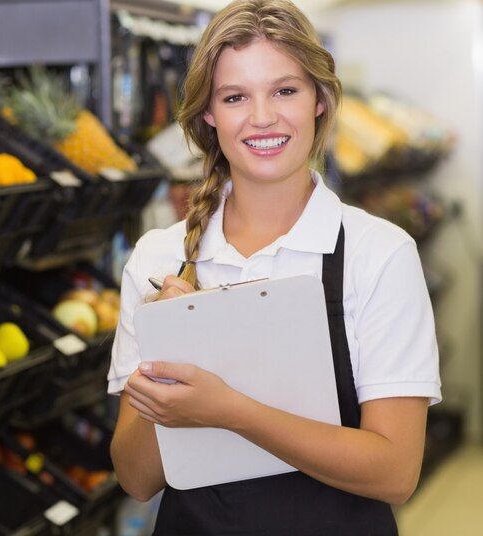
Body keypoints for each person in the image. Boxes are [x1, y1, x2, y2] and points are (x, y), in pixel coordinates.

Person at [107, 0, 442, 534]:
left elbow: (395, 472)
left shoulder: (378, 254)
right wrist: (173, 344)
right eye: (236, 97)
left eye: (285, 90)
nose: (262, 117)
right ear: (209, 115)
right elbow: (136, 478)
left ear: (320, 100)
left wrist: (229, 409)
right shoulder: (159, 257)